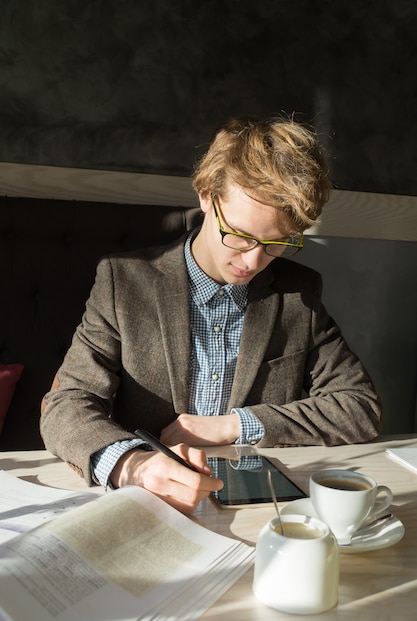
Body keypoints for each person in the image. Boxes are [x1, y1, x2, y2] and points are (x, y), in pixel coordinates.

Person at [40, 116, 382, 514]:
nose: (254, 261)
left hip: (260, 506)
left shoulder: (297, 293)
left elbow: (359, 407)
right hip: (148, 505)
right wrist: (132, 464)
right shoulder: (124, 282)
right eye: (239, 234)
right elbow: (65, 405)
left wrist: (235, 425)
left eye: (277, 243)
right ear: (206, 195)